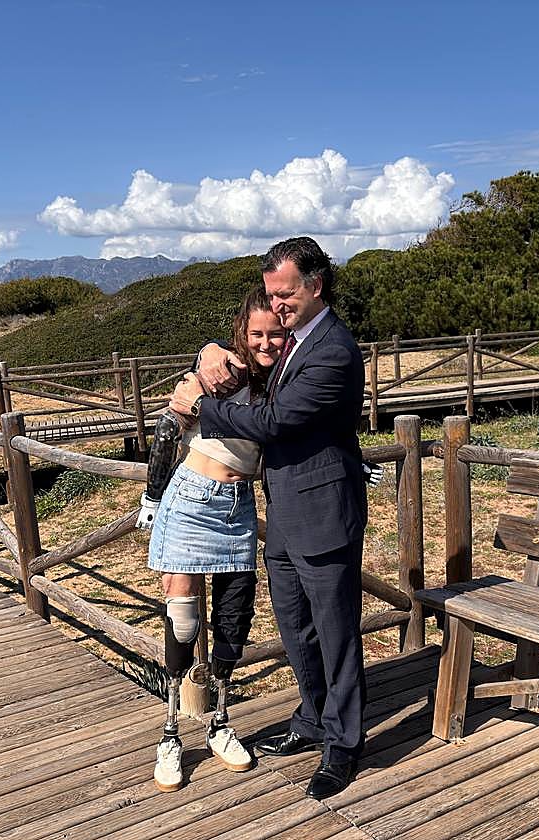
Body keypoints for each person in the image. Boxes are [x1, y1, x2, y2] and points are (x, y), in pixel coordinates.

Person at [170, 236, 368, 800]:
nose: (277, 304)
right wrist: (209, 351)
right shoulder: (295, 342)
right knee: (295, 625)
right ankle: (312, 717)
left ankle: (345, 743)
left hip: (325, 511)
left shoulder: (333, 348)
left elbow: (276, 420)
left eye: (286, 294)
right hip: (284, 510)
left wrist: (201, 406)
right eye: (273, 295)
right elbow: (242, 358)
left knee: (336, 633)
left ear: (315, 285)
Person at [137, 284, 287, 793]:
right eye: (256, 334)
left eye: (276, 333)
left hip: (239, 507)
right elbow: (167, 427)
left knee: (234, 617)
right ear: (241, 334)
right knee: (182, 619)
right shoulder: (219, 373)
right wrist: (152, 495)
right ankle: (170, 732)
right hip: (192, 498)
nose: (266, 343)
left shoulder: (280, 383)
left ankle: (221, 722)